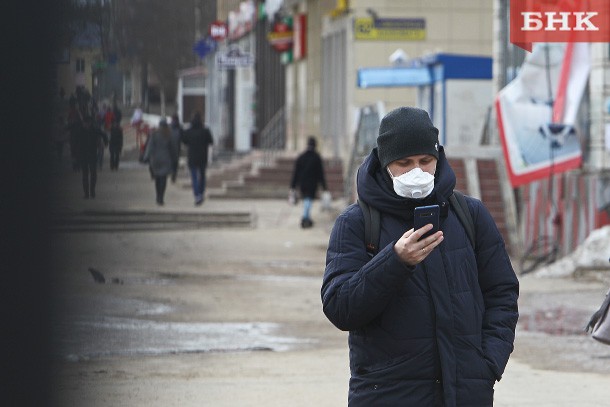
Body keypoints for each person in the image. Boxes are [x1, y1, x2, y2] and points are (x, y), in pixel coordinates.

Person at [321, 107, 519, 406]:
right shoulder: (356, 223)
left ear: (438, 158)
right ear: (386, 163)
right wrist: (394, 261)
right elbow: (340, 308)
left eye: (426, 161)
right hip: (388, 394)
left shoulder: (470, 215)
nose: (417, 170)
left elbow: (502, 293)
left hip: (464, 393)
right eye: (404, 162)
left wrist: (488, 362)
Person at [289, 136, 327, 228]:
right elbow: (320, 173)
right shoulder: (316, 157)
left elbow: (296, 172)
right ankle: (305, 217)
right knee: (308, 199)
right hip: (312, 183)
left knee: (306, 199)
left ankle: (306, 217)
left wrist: (293, 185)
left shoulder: (301, 157)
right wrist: (324, 186)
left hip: (302, 183)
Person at [180, 112, 213, 205]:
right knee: (202, 176)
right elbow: (211, 141)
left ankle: (197, 195)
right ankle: (201, 193)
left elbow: (184, 141)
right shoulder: (205, 130)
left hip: (192, 157)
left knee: (194, 177)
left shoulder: (189, 131)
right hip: (203, 157)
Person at [142, 119, 177, 205]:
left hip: (156, 159)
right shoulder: (169, 135)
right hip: (166, 159)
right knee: (163, 179)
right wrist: (174, 159)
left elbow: (150, 147)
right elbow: (173, 149)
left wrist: (146, 157)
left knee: (157, 178)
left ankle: (158, 196)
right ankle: (161, 197)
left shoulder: (154, 134)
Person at [78, 115, 107, 199]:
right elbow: (76, 142)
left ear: (90, 123)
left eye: (87, 123)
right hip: (83, 155)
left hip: (92, 154)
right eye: (85, 123)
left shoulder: (94, 129)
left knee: (93, 173)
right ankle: (86, 193)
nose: (86, 125)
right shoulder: (80, 131)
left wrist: (105, 142)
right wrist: (75, 155)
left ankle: (92, 191)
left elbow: (104, 134)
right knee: (85, 175)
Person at [169, 113, 183, 183]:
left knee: (171, 162)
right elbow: (182, 137)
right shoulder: (179, 127)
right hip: (177, 147)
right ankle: (174, 176)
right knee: (175, 163)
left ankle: (172, 174)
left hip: (170, 147)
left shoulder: (169, 127)